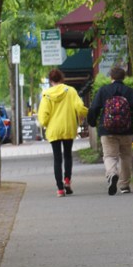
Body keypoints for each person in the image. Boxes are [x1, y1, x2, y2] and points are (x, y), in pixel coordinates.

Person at [87, 64, 133, 195]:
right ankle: (124, 186)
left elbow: (93, 109)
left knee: (109, 156)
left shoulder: (103, 91)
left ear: (111, 77)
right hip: (126, 131)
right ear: (124, 77)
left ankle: (112, 173)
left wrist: (92, 122)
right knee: (125, 157)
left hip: (107, 131)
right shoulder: (130, 92)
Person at [38, 68, 88, 197]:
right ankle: (67, 181)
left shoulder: (46, 94)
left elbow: (43, 116)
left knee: (57, 159)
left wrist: (44, 124)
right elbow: (80, 107)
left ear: (50, 81)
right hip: (68, 127)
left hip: (54, 130)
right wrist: (84, 114)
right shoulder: (70, 91)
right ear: (62, 78)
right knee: (67, 155)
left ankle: (60, 189)